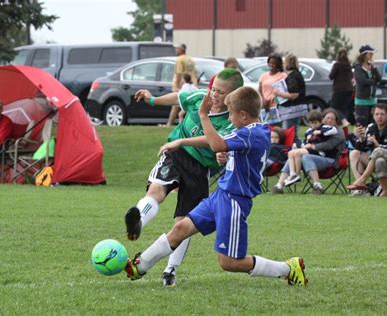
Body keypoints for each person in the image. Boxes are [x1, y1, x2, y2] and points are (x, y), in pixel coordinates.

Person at [124, 86, 308, 287]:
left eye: (231, 114)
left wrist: (203, 115)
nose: (229, 119)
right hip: (221, 195)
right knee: (180, 228)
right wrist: (226, 155)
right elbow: (226, 148)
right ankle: (139, 266)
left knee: (229, 262)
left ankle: (288, 269)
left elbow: (216, 143)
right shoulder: (252, 131)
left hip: (235, 202)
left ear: (244, 115)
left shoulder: (250, 133)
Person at [125, 68, 243, 287]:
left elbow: (213, 141)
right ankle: (138, 219)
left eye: (221, 92)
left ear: (234, 96)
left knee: (184, 222)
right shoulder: (200, 97)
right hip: (176, 155)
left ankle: (170, 269)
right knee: (156, 190)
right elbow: (179, 98)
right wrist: (152, 100)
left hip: (199, 169)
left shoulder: (231, 121)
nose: (214, 94)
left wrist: (220, 154)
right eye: (213, 88)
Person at [271, 108, 345, 194]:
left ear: (336, 121)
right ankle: (280, 185)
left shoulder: (338, 131)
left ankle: (317, 185)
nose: (330, 120)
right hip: (314, 155)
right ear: (323, 118)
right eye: (328, 118)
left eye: (333, 118)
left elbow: (329, 145)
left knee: (305, 157)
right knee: (293, 155)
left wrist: (312, 146)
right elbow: (305, 142)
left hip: (329, 159)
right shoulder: (313, 130)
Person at [349, 104, 387, 196]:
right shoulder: (371, 127)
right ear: (373, 116)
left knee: (379, 157)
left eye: (382, 114)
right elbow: (362, 148)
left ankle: (360, 182)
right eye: (377, 114)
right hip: (372, 161)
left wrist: (377, 145)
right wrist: (360, 138)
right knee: (354, 153)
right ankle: (362, 187)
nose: (379, 117)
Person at [273, 53, 307, 145]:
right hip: (295, 109)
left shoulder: (293, 76)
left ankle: (294, 150)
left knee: (289, 134)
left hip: (292, 111)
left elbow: (294, 95)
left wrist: (278, 93)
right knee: (294, 134)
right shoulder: (297, 74)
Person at [166, 43, 197, 127]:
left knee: (175, 105)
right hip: (192, 85)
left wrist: (177, 86)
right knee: (186, 107)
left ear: (181, 50)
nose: (175, 50)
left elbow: (179, 73)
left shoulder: (179, 59)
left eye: (177, 48)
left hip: (183, 85)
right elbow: (195, 72)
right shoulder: (190, 59)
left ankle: (169, 123)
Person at [353, 45, 382, 127]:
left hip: (372, 100)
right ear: (365, 54)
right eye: (370, 53)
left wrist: (375, 68)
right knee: (362, 123)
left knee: (372, 124)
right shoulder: (358, 67)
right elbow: (362, 81)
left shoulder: (372, 66)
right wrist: (374, 80)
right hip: (362, 101)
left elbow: (379, 79)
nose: (372, 55)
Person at [329, 48, 353, 126]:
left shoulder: (337, 65)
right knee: (344, 108)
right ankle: (344, 123)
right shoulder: (349, 65)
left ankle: (343, 120)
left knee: (334, 107)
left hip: (339, 89)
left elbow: (331, 76)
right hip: (349, 89)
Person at [258, 54, 287, 120]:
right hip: (264, 106)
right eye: (270, 63)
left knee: (276, 128)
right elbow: (260, 91)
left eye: (274, 63)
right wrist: (263, 101)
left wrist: (273, 101)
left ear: (278, 64)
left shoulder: (283, 76)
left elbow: (284, 91)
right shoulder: (263, 76)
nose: (271, 65)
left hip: (277, 106)